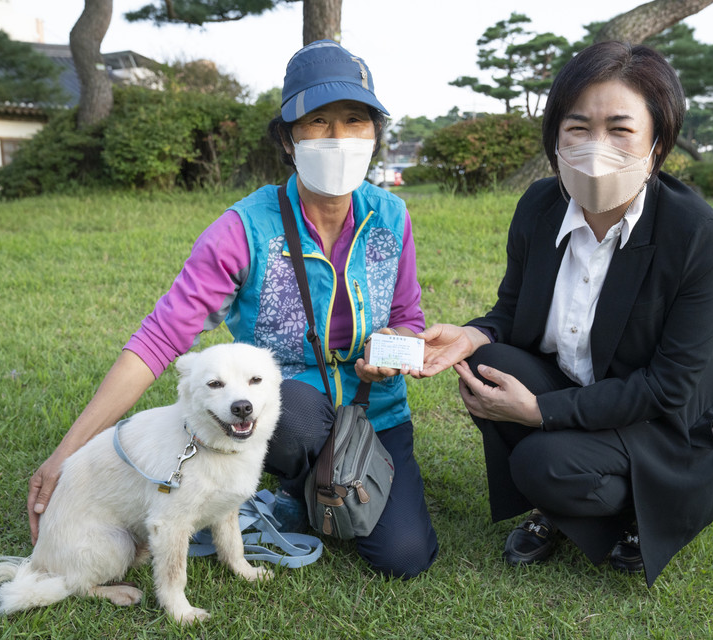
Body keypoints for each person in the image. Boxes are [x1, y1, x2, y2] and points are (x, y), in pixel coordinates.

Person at [27, 40, 438, 579]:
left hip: (377, 407)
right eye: (317, 122)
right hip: (289, 409)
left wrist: (393, 351)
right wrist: (66, 453)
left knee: (405, 558)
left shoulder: (391, 216)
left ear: (374, 133)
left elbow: (409, 316)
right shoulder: (244, 229)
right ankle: (297, 483)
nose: (338, 138)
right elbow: (159, 340)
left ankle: (328, 481)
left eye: (355, 120)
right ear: (288, 139)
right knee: (290, 412)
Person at [415, 41, 713, 586]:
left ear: (657, 144)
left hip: (659, 425)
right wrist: (470, 334)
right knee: (487, 361)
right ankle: (565, 501)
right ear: (555, 139)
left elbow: (668, 387)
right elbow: (512, 309)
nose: (595, 147)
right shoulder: (540, 207)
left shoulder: (695, 234)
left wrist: (540, 412)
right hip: (577, 390)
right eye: (578, 127)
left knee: (541, 462)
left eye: (619, 129)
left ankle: (632, 508)